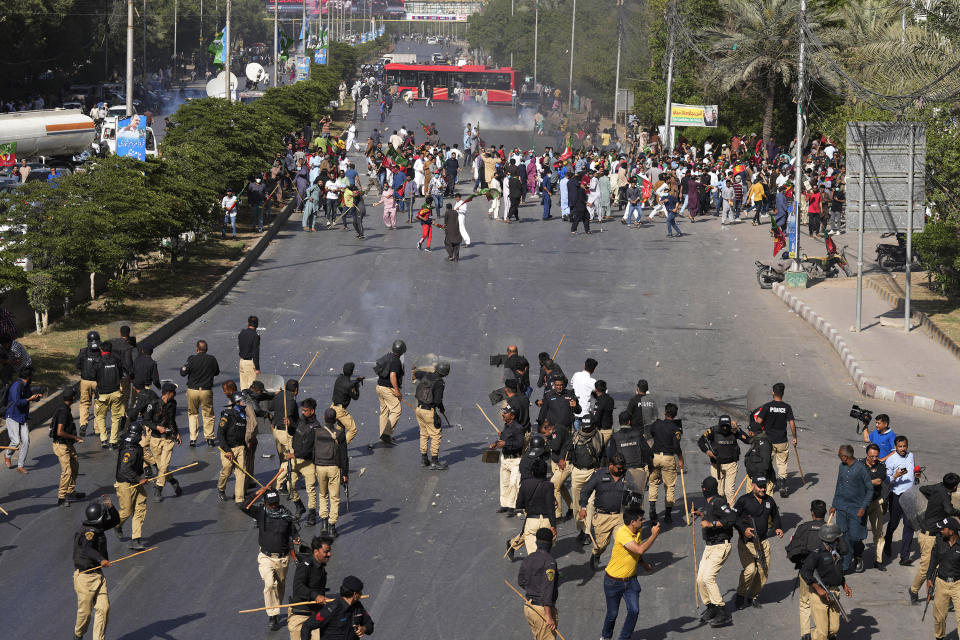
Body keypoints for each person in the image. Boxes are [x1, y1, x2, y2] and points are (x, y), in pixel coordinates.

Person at [243, 489, 301, 632]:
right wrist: (256, 493)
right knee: (270, 585)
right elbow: (243, 506)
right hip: (266, 557)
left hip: (282, 558)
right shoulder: (261, 512)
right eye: (270, 504)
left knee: (280, 586)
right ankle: (273, 615)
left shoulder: (285, 515)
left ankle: (276, 608)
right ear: (265, 503)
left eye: (275, 503)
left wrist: (295, 537)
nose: (273, 506)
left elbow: (292, 530)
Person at [786, 500, 843, 640]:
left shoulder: (803, 527)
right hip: (828, 575)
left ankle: (807, 634)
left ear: (812, 512)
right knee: (829, 604)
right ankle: (829, 633)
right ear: (825, 513)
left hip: (808, 574)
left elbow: (791, 550)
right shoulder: (831, 529)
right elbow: (842, 550)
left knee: (805, 603)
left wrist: (801, 562)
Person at [601, 508, 661, 640]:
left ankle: (624, 638)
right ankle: (605, 637)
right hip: (613, 581)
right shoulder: (623, 533)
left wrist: (643, 564)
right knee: (612, 614)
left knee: (634, 611)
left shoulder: (637, 531)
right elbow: (639, 550)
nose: (643, 521)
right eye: (640, 520)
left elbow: (634, 552)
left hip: (630, 581)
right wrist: (654, 535)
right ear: (632, 522)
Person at [73, 498, 121, 640]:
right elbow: (87, 548)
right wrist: (102, 559)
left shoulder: (97, 527)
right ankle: (78, 635)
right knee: (85, 613)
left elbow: (115, 521)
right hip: (85, 578)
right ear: (99, 518)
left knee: (103, 609)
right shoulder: (89, 532)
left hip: (98, 575)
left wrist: (111, 508)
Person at [909, 473, 960, 604]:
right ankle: (914, 590)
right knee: (926, 568)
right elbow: (949, 510)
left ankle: (941, 595)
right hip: (928, 535)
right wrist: (958, 512)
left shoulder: (938, 487)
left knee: (942, 563)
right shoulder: (944, 494)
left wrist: (934, 504)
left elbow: (922, 489)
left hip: (938, 533)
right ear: (954, 486)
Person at [733, 476, 783, 609]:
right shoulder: (744, 500)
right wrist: (744, 530)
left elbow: (776, 515)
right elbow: (734, 518)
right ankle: (740, 595)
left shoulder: (769, 500)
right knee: (750, 570)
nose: (763, 488)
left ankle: (752, 597)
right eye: (760, 486)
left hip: (763, 542)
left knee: (763, 572)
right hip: (747, 543)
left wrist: (778, 527)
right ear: (752, 485)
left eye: (764, 486)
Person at [694, 477, 736, 627]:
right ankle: (710, 607)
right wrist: (701, 515)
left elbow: (731, 518)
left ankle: (722, 612)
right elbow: (713, 516)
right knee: (700, 579)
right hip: (710, 546)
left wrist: (710, 523)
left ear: (705, 489)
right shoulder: (711, 503)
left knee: (708, 578)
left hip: (720, 545)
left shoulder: (719, 502)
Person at [801, 523, 852, 640]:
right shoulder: (816, 554)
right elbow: (805, 572)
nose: (840, 540)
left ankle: (811, 636)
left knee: (833, 630)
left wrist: (844, 585)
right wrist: (818, 589)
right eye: (838, 538)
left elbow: (838, 572)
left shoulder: (836, 553)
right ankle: (810, 637)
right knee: (823, 634)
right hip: (819, 595)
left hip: (834, 593)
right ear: (832, 539)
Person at [829, 444, 873, 573]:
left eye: (839, 455)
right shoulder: (841, 467)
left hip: (856, 510)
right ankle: (844, 565)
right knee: (842, 536)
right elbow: (839, 486)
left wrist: (863, 507)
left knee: (854, 537)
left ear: (845, 456)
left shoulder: (860, 469)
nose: (839, 457)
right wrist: (834, 505)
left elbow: (870, 490)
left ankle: (857, 555)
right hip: (842, 508)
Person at [581, 453, 627, 571]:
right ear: (610, 465)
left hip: (620, 516)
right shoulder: (599, 475)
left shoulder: (627, 475)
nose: (621, 470)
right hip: (602, 516)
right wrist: (583, 507)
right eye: (619, 468)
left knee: (622, 542)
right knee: (601, 545)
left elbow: (636, 491)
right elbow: (586, 490)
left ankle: (619, 566)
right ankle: (596, 555)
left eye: (622, 467)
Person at [562, 418, 604, 544]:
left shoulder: (599, 436)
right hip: (577, 472)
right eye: (584, 427)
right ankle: (581, 528)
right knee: (577, 505)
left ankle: (587, 532)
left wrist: (600, 469)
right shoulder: (575, 436)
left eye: (588, 427)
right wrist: (562, 459)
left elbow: (603, 455)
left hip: (592, 472)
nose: (586, 429)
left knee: (590, 504)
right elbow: (567, 450)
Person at [754, 382, 798, 498]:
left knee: (767, 463)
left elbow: (758, 421)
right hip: (782, 441)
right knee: (782, 464)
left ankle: (768, 488)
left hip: (768, 441)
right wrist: (794, 437)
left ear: (773, 393)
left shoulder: (767, 406)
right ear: (783, 393)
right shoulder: (787, 407)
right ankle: (782, 483)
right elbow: (792, 423)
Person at [142, 382, 183, 502]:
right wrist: (157, 428)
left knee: (164, 465)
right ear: (168, 393)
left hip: (168, 438)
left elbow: (172, 420)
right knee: (161, 466)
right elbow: (146, 421)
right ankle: (173, 481)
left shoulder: (173, 404)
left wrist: (177, 433)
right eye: (173, 393)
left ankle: (158, 488)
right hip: (155, 439)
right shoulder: (153, 404)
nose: (175, 395)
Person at [517, 528, 560, 640]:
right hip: (541, 610)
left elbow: (521, 581)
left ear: (536, 542)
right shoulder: (549, 562)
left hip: (529, 608)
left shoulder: (528, 558)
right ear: (551, 542)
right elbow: (548, 590)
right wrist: (548, 616)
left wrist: (533, 588)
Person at [299, 576, 373, 639]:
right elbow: (307, 626)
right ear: (355, 594)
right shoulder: (331, 609)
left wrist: (364, 628)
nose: (361, 594)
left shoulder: (358, 606)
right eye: (360, 592)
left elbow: (370, 624)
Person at [510, 459, 558, 558]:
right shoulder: (549, 486)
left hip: (531, 521)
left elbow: (519, 504)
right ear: (545, 472)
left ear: (532, 472)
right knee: (545, 554)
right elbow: (550, 508)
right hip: (546, 522)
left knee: (533, 556)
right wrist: (553, 525)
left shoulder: (525, 484)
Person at [288, 535, 333, 640]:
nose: (329, 554)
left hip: (315, 617)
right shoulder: (305, 566)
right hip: (301, 616)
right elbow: (298, 586)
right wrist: (316, 596)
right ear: (316, 552)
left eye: (329, 551)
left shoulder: (321, 568)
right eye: (326, 552)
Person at [883, 435, 918, 567]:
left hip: (909, 496)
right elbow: (886, 481)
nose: (902, 449)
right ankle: (887, 540)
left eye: (904, 446)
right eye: (900, 446)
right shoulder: (891, 460)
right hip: (896, 496)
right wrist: (895, 476)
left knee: (909, 525)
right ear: (895, 447)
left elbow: (911, 472)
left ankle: (905, 556)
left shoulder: (911, 456)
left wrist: (916, 475)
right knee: (893, 523)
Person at [313, 407, 349, 537]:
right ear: (335, 419)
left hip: (320, 467)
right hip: (334, 467)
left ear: (324, 418)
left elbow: (313, 450)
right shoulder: (340, 434)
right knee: (334, 497)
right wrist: (345, 474)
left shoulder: (317, 432)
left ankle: (323, 523)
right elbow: (344, 456)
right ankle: (332, 526)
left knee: (323, 495)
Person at [114, 422, 149, 550]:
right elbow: (124, 469)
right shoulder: (131, 449)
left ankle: (136, 539)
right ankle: (117, 524)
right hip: (125, 483)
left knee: (141, 505)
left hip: (135, 481)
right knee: (126, 511)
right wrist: (139, 479)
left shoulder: (134, 446)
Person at [647, 403, 684, 525]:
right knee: (669, 486)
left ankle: (652, 512)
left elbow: (651, 433)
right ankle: (668, 515)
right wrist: (680, 458)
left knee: (653, 483)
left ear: (665, 412)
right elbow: (676, 446)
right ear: (675, 415)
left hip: (655, 456)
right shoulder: (675, 429)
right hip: (668, 458)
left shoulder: (657, 424)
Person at [180, 339, 220, 446]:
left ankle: (193, 439)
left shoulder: (192, 359)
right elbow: (217, 372)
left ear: (197, 349)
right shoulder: (212, 359)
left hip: (192, 390)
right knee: (208, 414)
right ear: (206, 349)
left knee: (193, 414)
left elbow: (183, 372)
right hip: (206, 390)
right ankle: (209, 438)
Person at [926, 517, 960, 640]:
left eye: (943, 529)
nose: (940, 531)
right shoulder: (939, 540)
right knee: (939, 618)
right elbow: (933, 559)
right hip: (941, 582)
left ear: (952, 531)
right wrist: (929, 577)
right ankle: (939, 637)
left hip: (958, 584)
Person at [52, 386, 85, 506]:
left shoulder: (65, 408)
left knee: (74, 465)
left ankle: (71, 491)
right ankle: (61, 497)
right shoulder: (63, 411)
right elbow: (59, 432)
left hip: (67, 444)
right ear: (72, 397)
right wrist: (75, 437)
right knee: (67, 471)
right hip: (61, 445)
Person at [697, 415, 743, 502]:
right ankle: (722, 509)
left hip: (731, 465)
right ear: (719, 425)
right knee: (719, 492)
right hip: (716, 465)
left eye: (727, 425)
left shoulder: (734, 430)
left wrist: (738, 429)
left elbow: (747, 439)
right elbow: (701, 441)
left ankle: (731, 513)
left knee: (729, 492)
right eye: (723, 426)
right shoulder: (713, 430)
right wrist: (708, 452)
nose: (725, 428)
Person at [3, 365, 41, 472]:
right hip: (13, 416)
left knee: (26, 441)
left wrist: (36, 398)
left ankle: (20, 465)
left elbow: (29, 397)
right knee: (15, 441)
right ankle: (7, 455)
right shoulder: (16, 386)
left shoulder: (26, 385)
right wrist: (29, 399)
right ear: (28, 376)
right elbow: (17, 403)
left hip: (22, 416)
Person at [413, 360, 450, 470]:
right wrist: (442, 408)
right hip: (429, 411)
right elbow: (438, 401)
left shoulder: (426, 375)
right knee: (436, 435)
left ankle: (424, 459)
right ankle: (434, 461)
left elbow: (416, 373)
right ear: (445, 373)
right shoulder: (439, 383)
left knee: (424, 434)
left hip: (419, 409)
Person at [290, 398, 320, 526]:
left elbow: (309, 449)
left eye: (305, 410)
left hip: (308, 462)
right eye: (302, 410)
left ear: (312, 411)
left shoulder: (316, 428)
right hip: (295, 460)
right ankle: (299, 506)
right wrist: (290, 425)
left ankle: (312, 513)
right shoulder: (301, 420)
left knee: (310, 489)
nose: (303, 412)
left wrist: (294, 454)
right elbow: (296, 433)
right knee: (289, 485)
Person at [217, 389, 249, 504]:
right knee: (226, 471)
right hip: (228, 449)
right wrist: (227, 450)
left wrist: (245, 447)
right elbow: (220, 434)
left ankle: (239, 499)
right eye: (242, 401)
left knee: (241, 472)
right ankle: (221, 489)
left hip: (240, 447)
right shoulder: (227, 415)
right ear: (236, 402)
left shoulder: (243, 414)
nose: (245, 402)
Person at [493, 406, 526, 515]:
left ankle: (512, 506)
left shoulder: (518, 428)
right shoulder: (506, 426)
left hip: (515, 460)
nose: (503, 415)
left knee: (513, 483)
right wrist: (496, 443)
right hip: (505, 459)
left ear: (512, 416)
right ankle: (504, 504)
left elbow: (520, 444)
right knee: (504, 483)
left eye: (505, 413)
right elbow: (503, 439)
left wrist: (505, 444)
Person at [373, 340, 406, 448]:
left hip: (379, 387)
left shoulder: (387, 356)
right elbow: (392, 376)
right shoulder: (396, 361)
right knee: (397, 410)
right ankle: (386, 434)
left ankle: (383, 433)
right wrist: (397, 391)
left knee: (384, 411)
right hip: (387, 389)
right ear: (402, 351)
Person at [94, 341, 127, 448]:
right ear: (111, 350)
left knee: (100, 416)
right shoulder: (116, 360)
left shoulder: (97, 361)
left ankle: (103, 439)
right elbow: (121, 374)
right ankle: (113, 440)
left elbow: (93, 376)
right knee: (116, 417)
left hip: (102, 394)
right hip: (116, 393)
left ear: (101, 350)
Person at [862, 443, 887, 570]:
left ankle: (878, 560)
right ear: (866, 454)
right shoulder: (859, 465)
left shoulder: (881, 467)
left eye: (876, 457)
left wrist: (863, 481)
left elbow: (878, 481)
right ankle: (858, 558)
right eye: (871, 456)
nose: (873, 459)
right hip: (861, 504)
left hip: (875, 503)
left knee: (878, 532)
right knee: (859, 532)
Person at [75, 331, 102, 437]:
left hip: (85, 382)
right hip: (98, 383)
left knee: (84, 404)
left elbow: (77, 365)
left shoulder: (83, 352)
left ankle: (83, 424)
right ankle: (97, 429)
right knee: (98, 405)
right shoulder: (101, 353)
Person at [330, 363, 362, 444]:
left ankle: (333, 445)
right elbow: (355, 397)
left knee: (340, 428)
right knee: (353, 430)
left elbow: (348, 382)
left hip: (333, 407)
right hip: (340, 411)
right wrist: (357, 388)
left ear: (342, 370)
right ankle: (338, 447)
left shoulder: (339, 378)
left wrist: (356, 381)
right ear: (352, 372)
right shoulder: (349, 385)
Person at [238, 315, 261, 392]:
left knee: (243, 387)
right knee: (252, 388)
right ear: (257, 325)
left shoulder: (242, 333)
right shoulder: (255, 336)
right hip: (250, 363)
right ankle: (250, 404)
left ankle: (243, 402)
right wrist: (257, 368)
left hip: (242, 362)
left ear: (248, 323)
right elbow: (255, 352)